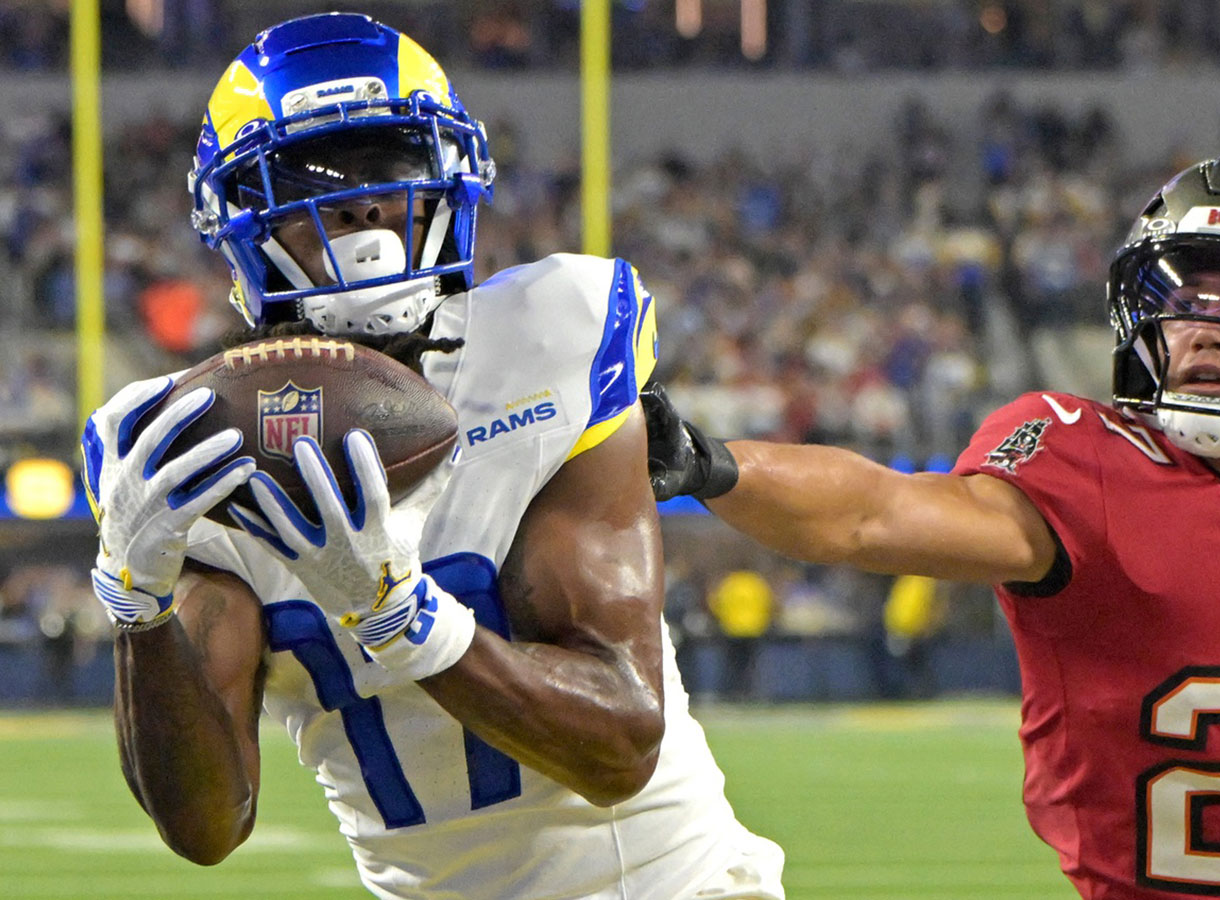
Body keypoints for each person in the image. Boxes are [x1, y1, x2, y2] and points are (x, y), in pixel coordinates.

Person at [644, 150, 1220, 898]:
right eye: (1181, 299)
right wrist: (708, 461)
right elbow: (875, 515)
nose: (1202, 328)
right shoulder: (1093, 478)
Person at [81, 13, 783, 900]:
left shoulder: (549, 338)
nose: (365, 199)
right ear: (243, 218)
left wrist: (404, 618)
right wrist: (135, 610)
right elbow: (210, 827)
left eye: (391, 159)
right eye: (315, 172)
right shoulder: (190, 443)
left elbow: (620, 746)